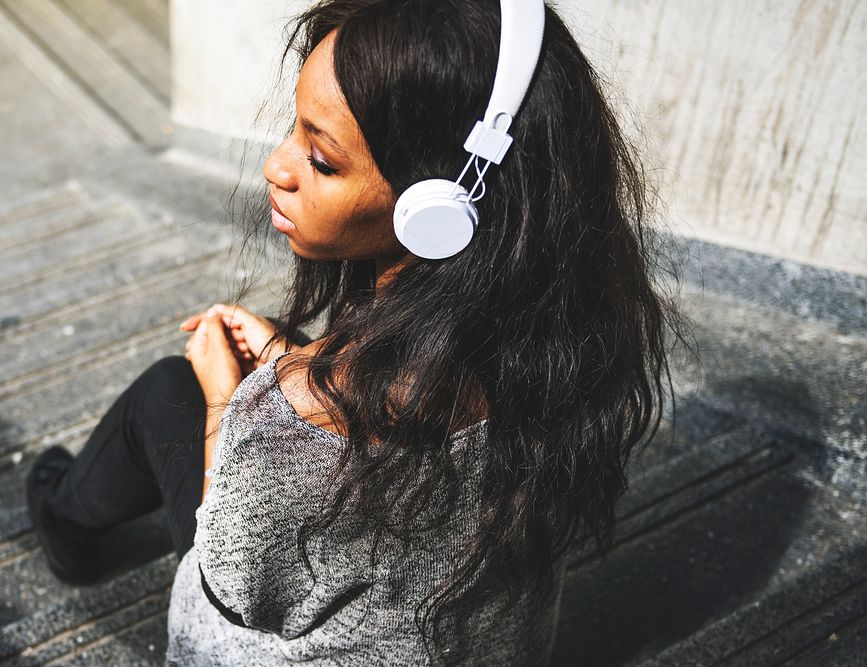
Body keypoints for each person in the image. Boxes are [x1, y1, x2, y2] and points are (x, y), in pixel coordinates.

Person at [25, 0, 690, 664]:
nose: (276, 167)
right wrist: (290, 361)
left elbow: (216, 604)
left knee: (171, 389)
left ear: (441, 205)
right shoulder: (563, 337)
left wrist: (229, 403)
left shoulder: (293, 411)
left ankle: (58, 514)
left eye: (320, 158)